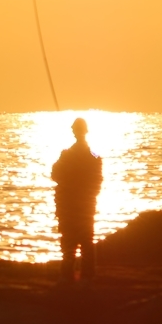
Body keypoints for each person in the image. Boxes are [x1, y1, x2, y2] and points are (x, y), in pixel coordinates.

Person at [51, 117, 103, 283]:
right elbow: (98, 180)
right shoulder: (93, 156)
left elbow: (55, 174)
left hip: (70, 205)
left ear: (74, 131)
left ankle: (67, 276)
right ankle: (87, 276)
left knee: (69, 242)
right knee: (85, 241)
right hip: (84, 205)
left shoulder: (67, 154)